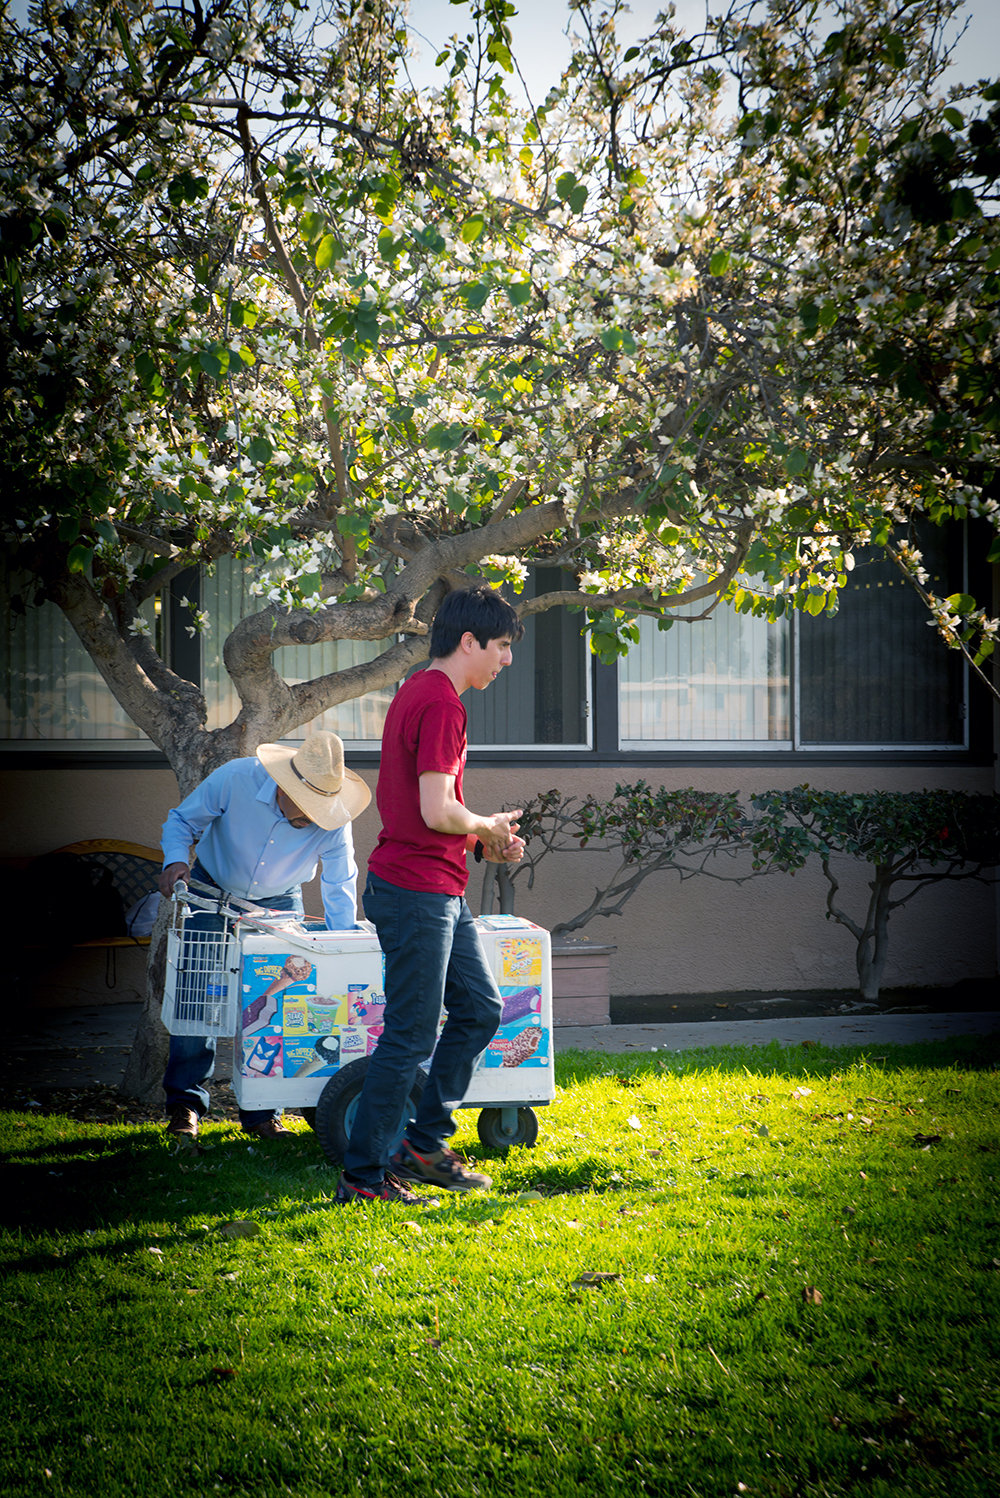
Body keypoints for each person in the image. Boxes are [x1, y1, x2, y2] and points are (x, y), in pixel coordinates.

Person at [335, 585, 526, 1205]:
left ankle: (423, 1144)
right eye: (500, 646)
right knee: (410, 1038)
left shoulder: (419, 690)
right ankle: (362, 1179)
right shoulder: (442, 703)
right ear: (468, 641)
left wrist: (477, 842)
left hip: (432, 883)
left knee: (479, 1010)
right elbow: (437, 808)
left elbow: (428, 814)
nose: (506, 659)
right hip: (416, 891)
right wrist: (486, 825)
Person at [158, 731, 371, 1141]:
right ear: (284, 785)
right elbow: (183, 821)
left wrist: (339, 945)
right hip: (211, 892)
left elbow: (340, 881)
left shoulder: (333, 816)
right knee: (196, 1000)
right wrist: (175, 861)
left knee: (270, 1004)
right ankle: (184, 1107)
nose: (312, 818)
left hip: (280, 903)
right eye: (307, 807)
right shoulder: (236, 778)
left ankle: (261, 1114)